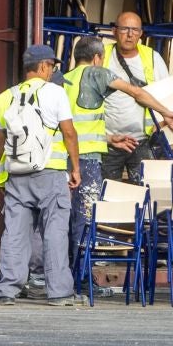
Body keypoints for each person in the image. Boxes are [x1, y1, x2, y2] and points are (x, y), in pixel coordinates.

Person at [0, 44, 80, 306]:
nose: (52, 71)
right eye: (51, 66)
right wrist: (74, 168)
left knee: (15, 233)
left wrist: (2, 175)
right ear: (43, 66)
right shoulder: (56, 93)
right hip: (50, 173)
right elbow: (69, 133)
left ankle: (7, 290)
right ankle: (59, 293)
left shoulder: (4, 97)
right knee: (54, 230)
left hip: (17, 174)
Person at [100, 12, 173, 184]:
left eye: (135, 30)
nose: (130, 34)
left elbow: (167, 93)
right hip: (110, 140)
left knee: (144, 191)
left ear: (141, 33)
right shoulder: (101, 56)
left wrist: (165, 121)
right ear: (114, 31)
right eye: (125, 29)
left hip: (143, 140)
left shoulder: (152, 57)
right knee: (108, 193)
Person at [60, 36, 113, 277]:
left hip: (60, 158)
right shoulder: (94, 75)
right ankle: (80, 276)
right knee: (85, 218)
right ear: (96, 58)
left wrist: (110, 138)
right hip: (87, 160)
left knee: (61, 218)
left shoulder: (61, 79)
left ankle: (59, 274)